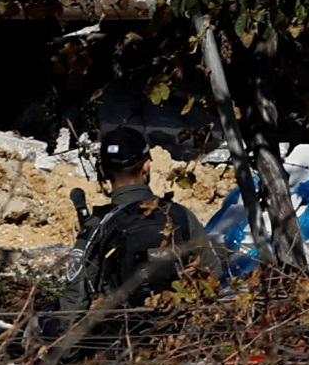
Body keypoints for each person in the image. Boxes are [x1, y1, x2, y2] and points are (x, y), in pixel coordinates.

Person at [75, 132, 215, 316]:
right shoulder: (180, 215)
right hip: (179, 332)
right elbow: (212, 275)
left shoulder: (97, 225)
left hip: (119, 334)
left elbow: (75, 298)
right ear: (147, 165)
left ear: (102, 171)